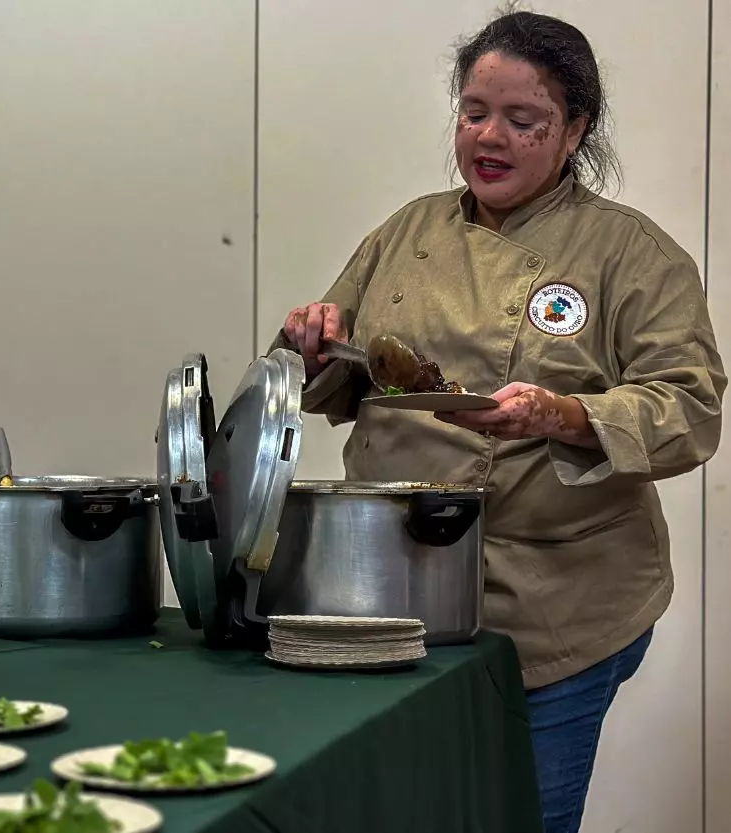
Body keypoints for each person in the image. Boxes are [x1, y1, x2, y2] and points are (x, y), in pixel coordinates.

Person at [272, 10, 725, 833]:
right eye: (474, 112)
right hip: (392, 589)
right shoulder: (407, 231)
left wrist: (569, 413)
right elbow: (345, 372)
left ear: (575, 130)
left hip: (553, 605)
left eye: (524, 120)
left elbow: (689, 405)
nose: (490, 137)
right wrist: (312, 343)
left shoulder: (631, 253)